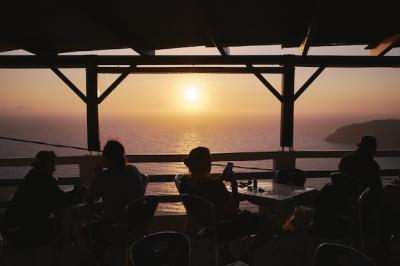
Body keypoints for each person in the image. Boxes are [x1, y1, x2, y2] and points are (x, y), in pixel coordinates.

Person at [4, 150, 76, 247]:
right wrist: (77, 194)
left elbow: (56, 198)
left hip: (15, 227)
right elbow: (61, 201)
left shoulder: (32, 175)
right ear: (46, 165)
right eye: (52, 164)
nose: (54, 169)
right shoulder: (45, 179)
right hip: (29, 231)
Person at [89, 140, 147, 225]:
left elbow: (91, 198)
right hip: (136, 223)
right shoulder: (133, 170)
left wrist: (96, 176)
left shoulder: (101, 178)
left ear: (108, 158)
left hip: (114, 227)